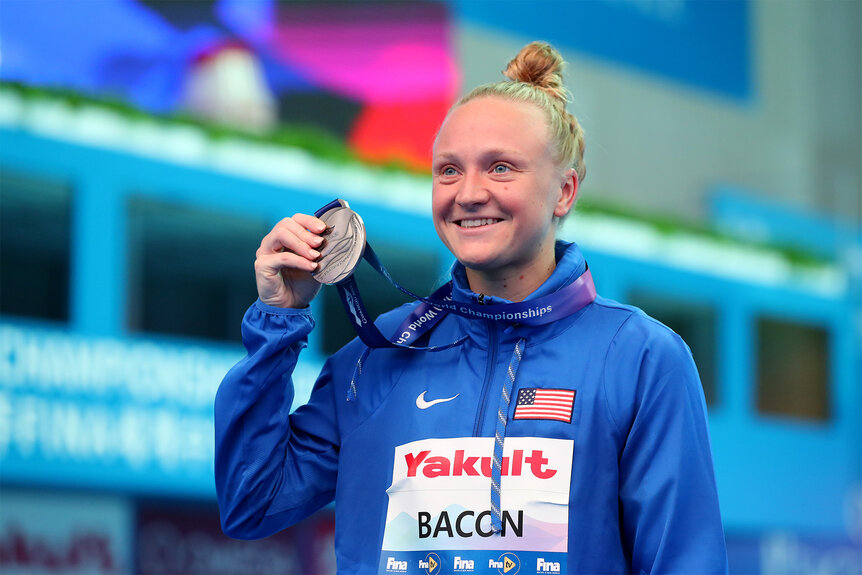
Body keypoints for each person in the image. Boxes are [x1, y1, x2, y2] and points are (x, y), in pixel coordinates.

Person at [215, 41, 728, 574]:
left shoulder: (639, 359)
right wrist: (278, 318)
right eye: (448, 171)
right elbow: (252, 503)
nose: (469, 192)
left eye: (501, 168)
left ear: (564, 192)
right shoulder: (374, 358)